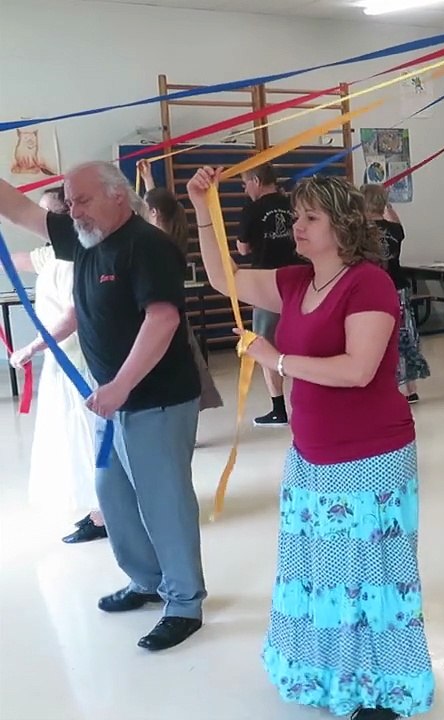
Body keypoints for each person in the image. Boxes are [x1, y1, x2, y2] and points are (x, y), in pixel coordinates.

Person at [189, 168, 433, 720]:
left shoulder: (367, 282)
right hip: (312, 456)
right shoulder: (296, 282)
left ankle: (382, 690)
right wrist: (204, 208)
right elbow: (223, 278)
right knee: (324, 573)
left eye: (309, 217)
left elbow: (357, 369)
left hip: (371, 457)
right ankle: (327, 675)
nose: (296, 226)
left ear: (342, 226)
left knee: (369, 576)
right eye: (298, 216)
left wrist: (273, 358)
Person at [0, 162, 206, 651]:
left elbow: (162, 321)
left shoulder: (148, 246)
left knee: (164, 502)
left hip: (155, 399)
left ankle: (184, 603)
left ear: (118, 196)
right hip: (113, 401)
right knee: (111, 494)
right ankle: (147, 580)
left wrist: (121, 386)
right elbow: (22, 210)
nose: (73, 211)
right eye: (69, 202)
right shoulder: (84, 238)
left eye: (83, 200)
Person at [8, 187, 106, 544]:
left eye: (49, 214)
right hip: (59, 361)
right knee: (71, 436)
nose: (42, 222)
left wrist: (32, 347)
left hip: (79, 359)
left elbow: (74, 316)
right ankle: (97, 510)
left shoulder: (80, 256)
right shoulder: (50, 254)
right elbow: (17, 259)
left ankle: (105, 513)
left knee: (89, 435)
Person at [138, 160, 223, 413]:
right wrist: (149, 181)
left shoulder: (156, 242)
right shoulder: (167, 233)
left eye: (146, 210)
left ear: (153, 214)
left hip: (166, 318)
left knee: (173, 366)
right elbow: (155, 203)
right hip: (171, 316)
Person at [238, 164, 300, 428]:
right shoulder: (293, 204)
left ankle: (278, 409)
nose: (245, 189)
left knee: (265, 345)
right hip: (299, 279)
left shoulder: (252, 209)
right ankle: (305, 402)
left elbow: (242, 249)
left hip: (267, 284)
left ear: (255, 180)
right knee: (302, 341)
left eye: (245, 184)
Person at [362, 183, 429, 402]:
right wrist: (388, 205)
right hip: (398, 288)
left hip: (374, 290)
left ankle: (386, 385)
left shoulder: (362, 232)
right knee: (404, 336)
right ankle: (410, 388)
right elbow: (397, 223)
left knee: (377, 337)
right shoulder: (394, 230)